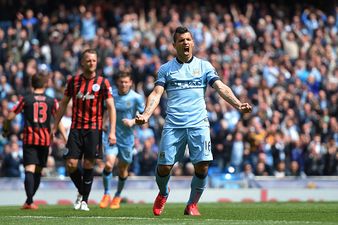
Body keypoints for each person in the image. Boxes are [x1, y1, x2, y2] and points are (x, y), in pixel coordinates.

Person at [135, 26, 252, 216]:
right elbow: (156, 94)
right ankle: (164, 192)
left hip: (198, 123)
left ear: (193, 43)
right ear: (174, 45)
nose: (186, 43)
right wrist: (146, 115)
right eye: (181, 40)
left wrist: (238, 104)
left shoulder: (204, 66)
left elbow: (221, 87)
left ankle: (191, 205)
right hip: (174, 124)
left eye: (188, 39)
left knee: (202, 165)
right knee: (164, 167)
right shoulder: (166, 69)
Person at [52, 49, 116, 211]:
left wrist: (112, 131)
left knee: (88, 163)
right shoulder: (73, 82)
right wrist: (55, 125)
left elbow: (111, 107)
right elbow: (63, 104)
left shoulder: (103, 82)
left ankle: (84, 201)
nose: (91, 63)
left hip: (94, 129)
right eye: (88, 60)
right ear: (82, 62)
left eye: (94, 60)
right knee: (71, 164)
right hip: (76, 129)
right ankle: (82, 191)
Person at [3, 74, 61, 210]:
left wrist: (5, 129)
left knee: (29, 169)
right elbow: (58, 119)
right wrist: (63, 136)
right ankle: (29, 201)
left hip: (29, 139)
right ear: (45, 84)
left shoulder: (26, 99)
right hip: (45, 140)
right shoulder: (51, 101)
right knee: (38, 171)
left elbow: (10, 115)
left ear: (32, 85)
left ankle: (29, 200)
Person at [99, 71, 145, 209]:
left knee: (123, 169)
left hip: (127, 138)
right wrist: (103, 124)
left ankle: (117, 195)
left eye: (126, 82)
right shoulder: (110, 94)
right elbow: (106, 111)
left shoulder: (136, 98)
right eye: (121, 82)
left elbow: (143, 118)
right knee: (108, 164)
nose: (123, 84)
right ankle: (106, 194)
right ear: (117, 82)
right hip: (111, 135)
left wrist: (132, 121)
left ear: (131, 82)